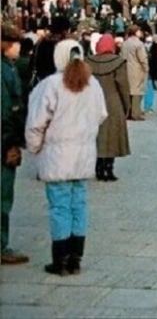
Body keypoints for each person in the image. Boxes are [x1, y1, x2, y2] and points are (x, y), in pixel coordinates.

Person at [25, 39, 107, 275]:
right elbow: (101, 114)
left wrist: (34, 147)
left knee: (59, 206)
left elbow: (36, 123)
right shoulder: (92, 85)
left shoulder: (50, 85)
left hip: (57, 155)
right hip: (83, 154)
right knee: (78, 204)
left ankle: (59, 259)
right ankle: (75, 258)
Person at [1, 25, 29, 264]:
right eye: (15, 42)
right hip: (3, 141)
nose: (18, 47)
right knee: (2, 196)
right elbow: (5, 112)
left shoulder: (8, 68)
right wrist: (11, 142)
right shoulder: (4, 72)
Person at [86, 34, 131, 181]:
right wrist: (127, 105)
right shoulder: (118, 62)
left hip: (92, 102)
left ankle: (98, 166)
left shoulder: (88, 62)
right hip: (113, 101)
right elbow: (123, 86)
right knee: (112, 136)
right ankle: (108, 168)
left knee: (97, 135)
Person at [120, 25, 149, 121]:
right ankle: (136, 113)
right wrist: (146, 67)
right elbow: (142, 58)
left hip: (126, 68)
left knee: (128, 90)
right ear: (136, 32)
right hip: (137, 68)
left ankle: (127, 112)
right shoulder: (139, 44)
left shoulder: (125, 43)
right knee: (137, 91)